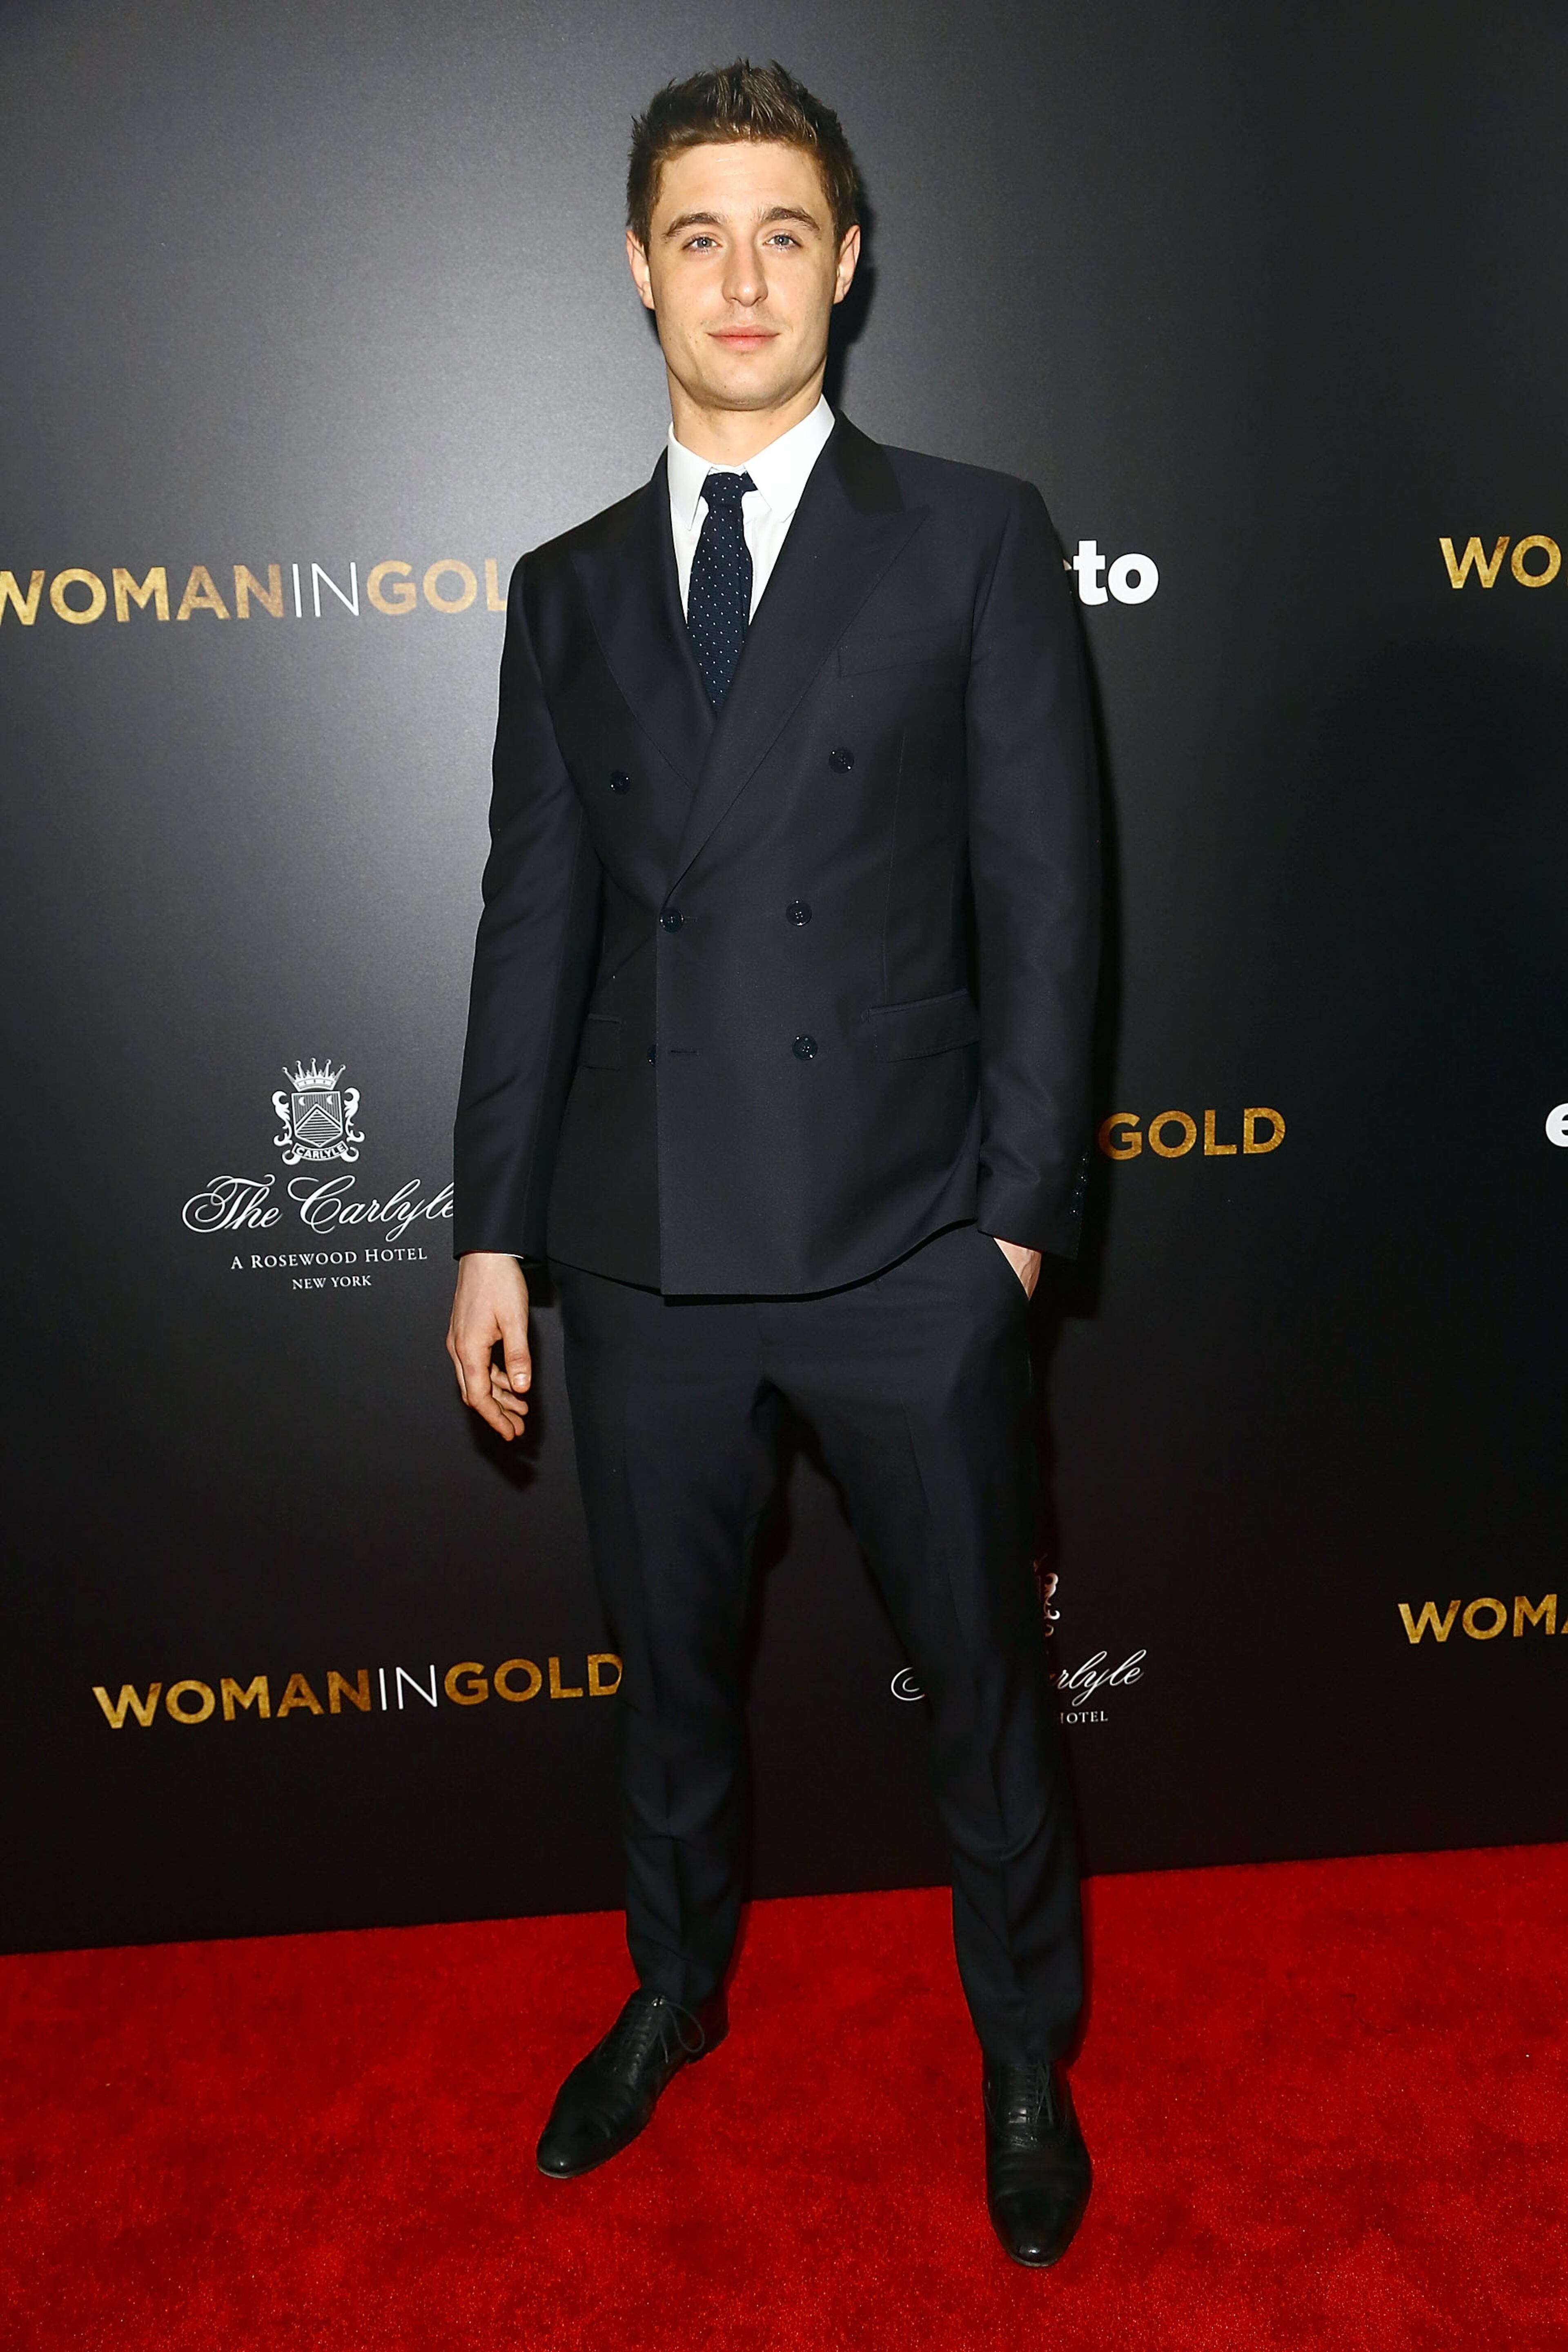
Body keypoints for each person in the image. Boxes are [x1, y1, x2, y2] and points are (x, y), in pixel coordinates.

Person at [447, 58, 1100, 2269]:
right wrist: (494, 1233)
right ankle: (671, 1989)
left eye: (786, 233)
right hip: (636, 1257)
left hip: (910, 1235)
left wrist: (1013, 1230)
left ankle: (1023, 2046)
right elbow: (535, 926)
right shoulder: (566, 590)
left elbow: (1051, 903)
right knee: (666, 1680)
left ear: (850, 263)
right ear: (639, 267)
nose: (744, 277)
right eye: (700, 234)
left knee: (986, 1690)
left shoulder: (978, 536)